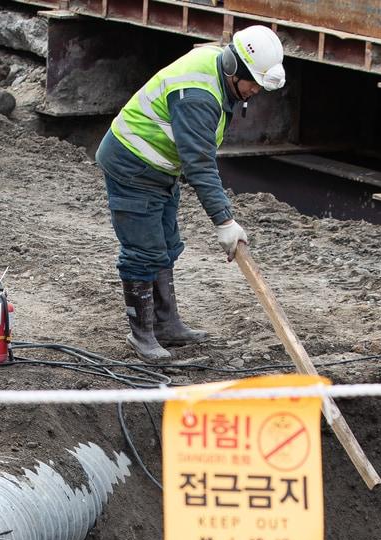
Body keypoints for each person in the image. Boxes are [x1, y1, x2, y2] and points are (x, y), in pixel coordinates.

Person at [94, 24, 287, 363]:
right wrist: (224, 221)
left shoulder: (217, 69)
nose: (256, 90)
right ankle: (142, 335)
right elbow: (199, 164)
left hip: (158, 167)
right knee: (143, 250)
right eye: (254, 82)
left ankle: (167, 326)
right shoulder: (198, 96)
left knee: (166, 245)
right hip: (132, 163)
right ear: (235, 70)